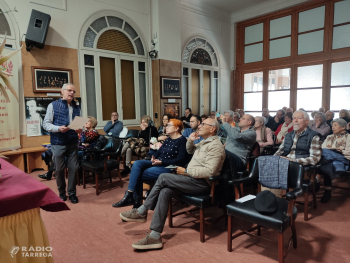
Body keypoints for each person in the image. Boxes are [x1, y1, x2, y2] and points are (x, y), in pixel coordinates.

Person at [118, 118, 225, 249]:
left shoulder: (215, 146)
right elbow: (190, 151)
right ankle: (155, 236)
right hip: (192, 180)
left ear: (212, 129)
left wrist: (186, 171)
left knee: (163, 177)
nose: (200, 126)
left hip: (202, 184)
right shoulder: (204, 142)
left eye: (203, 124)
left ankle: (142, 211)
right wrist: (190, 141)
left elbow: (210, 171)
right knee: (165, 191)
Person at [113, 119, 188, 208]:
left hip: (169, 166)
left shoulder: (182, 140)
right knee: (137, 163)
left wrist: (161, 162)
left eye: (169, 125)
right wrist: (153, 157)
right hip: (159, 162)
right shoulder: (169, 139)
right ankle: (130, 195)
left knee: (137, 174)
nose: (166, 127)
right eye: (166, 125)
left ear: (176, 128)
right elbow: (159, 152)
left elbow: (181, 160)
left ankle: (135, 202)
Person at [42, 83, 81, 204]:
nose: (72, 93)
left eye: (73, 91)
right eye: (69, 90)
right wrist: (58, 128)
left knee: (74, 168)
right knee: (59, 170)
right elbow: (46, 124)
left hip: (73, 142)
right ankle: (62, 193)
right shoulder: (53, 105)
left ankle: (72, 193)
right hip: (58, 143)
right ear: (62, 91)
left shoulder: (77, 106)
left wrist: (80, 129)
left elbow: (79, 124)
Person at [267, 111, 322, 197]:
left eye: (299, 118)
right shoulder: (288, 135)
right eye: (294, 118)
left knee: (274, 172)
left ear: (307, 121)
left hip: (301, 168)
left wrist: (293, 161)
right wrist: (273, 161)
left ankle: (274, 203)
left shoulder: (313, 136)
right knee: (267, 167)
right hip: (285, 164)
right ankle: (270, 201)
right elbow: (279, 151)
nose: (295, 120)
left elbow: (315, 158)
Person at [316, 118, 350, 203]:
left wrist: (336, 150)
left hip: (343, 159)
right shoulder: (329, 137)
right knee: (327, 163)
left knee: (323, 158)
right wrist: (333, 150)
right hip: (329, 160)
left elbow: (348, 151)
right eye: (332, 126)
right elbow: (323, 148)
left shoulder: (348, 137)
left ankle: (317, 181)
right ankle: (327, 191)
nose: (333, 127)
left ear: (343, 127)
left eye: (335, 125)